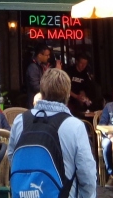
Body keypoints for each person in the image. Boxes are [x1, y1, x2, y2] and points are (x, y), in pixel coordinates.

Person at [7, 67, 97, 198]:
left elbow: (12, 157)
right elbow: (87, 174)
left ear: (42, 93)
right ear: (67, 95)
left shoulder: (20, 120)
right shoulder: (75, 126)